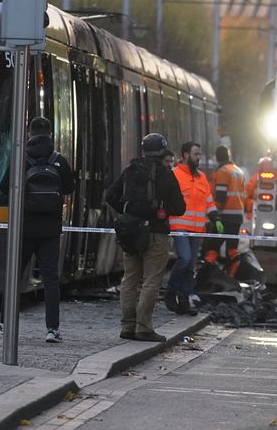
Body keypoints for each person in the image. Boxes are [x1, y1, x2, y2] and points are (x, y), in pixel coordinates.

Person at [0, 117, 76, 343]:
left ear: (29, 133)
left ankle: (5, 321)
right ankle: (52, 329)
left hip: (23, 227)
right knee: (51, 279)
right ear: (51, 134)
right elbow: (69, 187)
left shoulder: (19, 158)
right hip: (50, 229)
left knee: (15, 275)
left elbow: (4, 187)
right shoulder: (59, 160)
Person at [105, 133, 187, 342]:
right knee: (151, 280)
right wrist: (160, 210)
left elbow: (110, 196)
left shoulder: (131, 170)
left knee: (130, 279)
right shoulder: (166, 174)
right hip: (155, 234)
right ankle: (143, 327)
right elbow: (179, 207)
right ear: (162, 151)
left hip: (131, 233)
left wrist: (127, 210)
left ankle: (127, 326)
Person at [167, 141, 218, 315]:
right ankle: (171, 291)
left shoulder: (202, 177)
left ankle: (184, 301)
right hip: (179, 225)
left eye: (199, 154)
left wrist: (215, 216)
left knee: (190, 266)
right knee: (184, 259)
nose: (199, 158)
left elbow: (208, 200)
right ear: (185, 155)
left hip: (197, 229)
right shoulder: (174, 175)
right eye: (196, 154)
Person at [205, 145, 247, 267]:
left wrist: (214, 216)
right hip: (237, 216)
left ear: (216, 158)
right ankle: (232, 274)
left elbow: (221, 196)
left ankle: (206, 272)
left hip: (224, 216)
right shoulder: (238, 171)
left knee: (213, 245)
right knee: (232, 248)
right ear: (228, 156)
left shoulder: (222, 171)